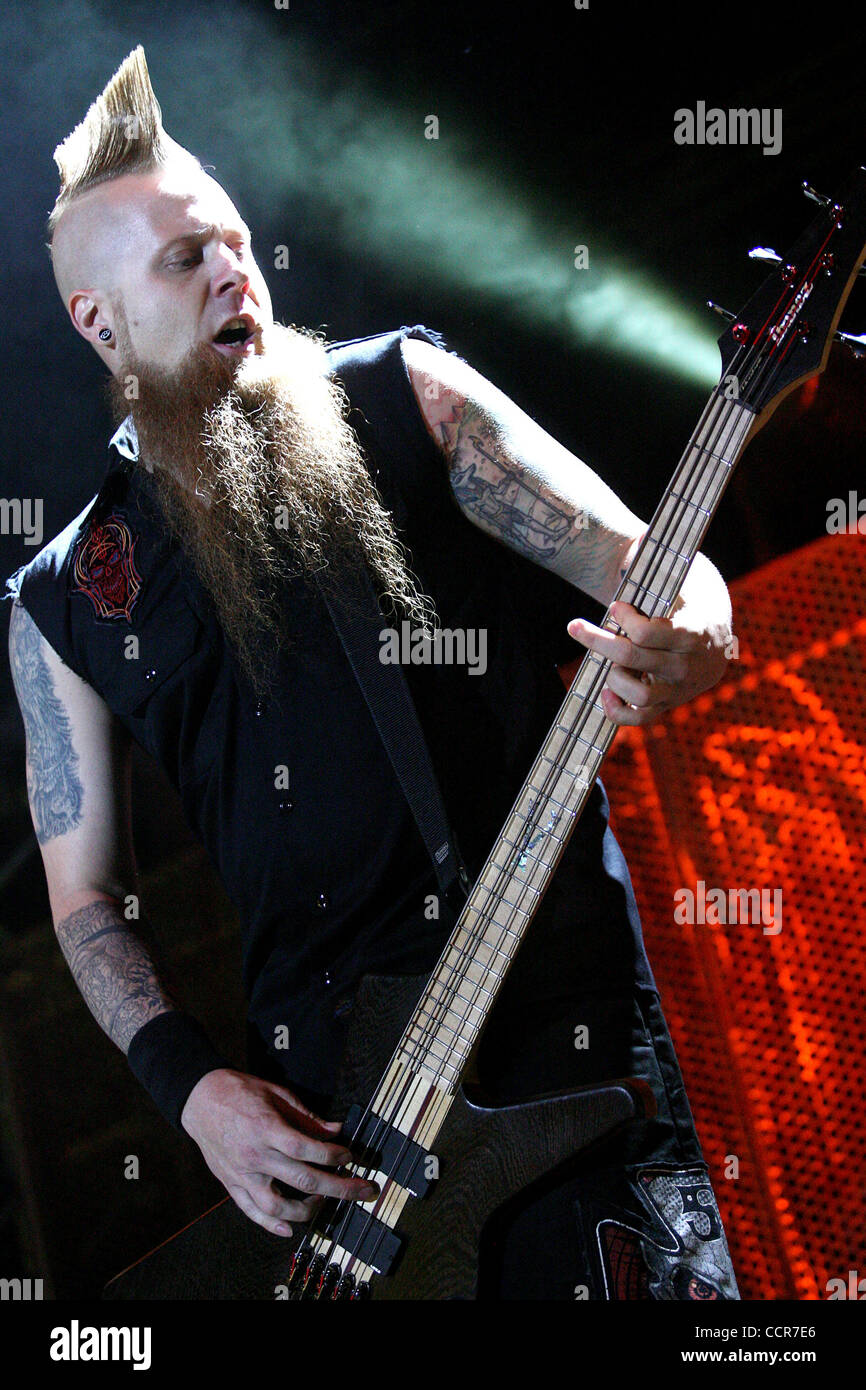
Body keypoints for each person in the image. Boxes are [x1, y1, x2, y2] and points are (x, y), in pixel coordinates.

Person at [6, 47, 739, 1299]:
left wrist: (696, 640)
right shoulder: (60, 599)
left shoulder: (408, 394)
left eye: (235, 240)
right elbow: (83, 899)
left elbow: (670, 572)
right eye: (186, 257)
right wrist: (193, 1095)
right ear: (98, 319)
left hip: (561, 1034)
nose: (235, 269)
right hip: (340, 1128)